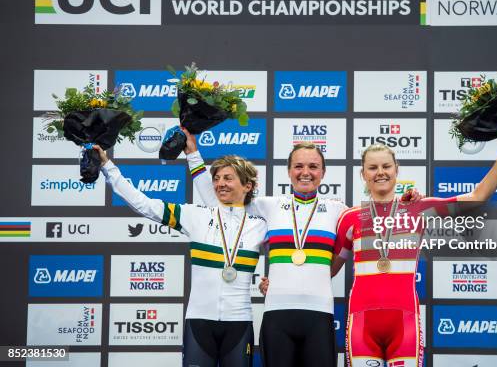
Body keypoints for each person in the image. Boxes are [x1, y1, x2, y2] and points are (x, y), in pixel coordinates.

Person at [331, 127, 497, 367]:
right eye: (373, 168)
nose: (380, 173)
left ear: (397, 170)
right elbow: (329, 270)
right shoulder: (349, 218)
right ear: (363, 174)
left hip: (404, 323)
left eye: (386, 166)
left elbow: (477, 197)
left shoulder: (418, 208)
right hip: (361, 323)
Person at [94, 145, 266, 367]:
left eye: (228, 178)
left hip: (240, 322)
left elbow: (290, 254)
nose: (220, 183)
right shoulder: (195, 215)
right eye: (216, 178)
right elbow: (144, 204)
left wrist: (276, 282)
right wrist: (108, 166)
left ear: (247, 185)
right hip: (198, 322)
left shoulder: (261, 225)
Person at [185, 133, 345, 367]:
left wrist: (409, 203)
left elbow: (373, 223)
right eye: (298, 166)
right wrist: (192, 155)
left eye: (313, 166)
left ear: (323, 172)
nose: (305, 172)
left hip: (320, 314)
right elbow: (219, 200)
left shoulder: (338, 211)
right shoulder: (269, 206)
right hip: (276, 315)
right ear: (289, 171)